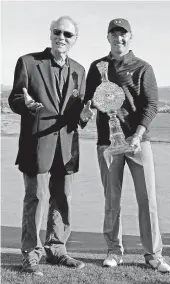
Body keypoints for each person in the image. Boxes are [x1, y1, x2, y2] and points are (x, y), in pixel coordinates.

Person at [84, 18, 170, 272]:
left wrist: (138, 133)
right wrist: (86, 109)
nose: (118, 38)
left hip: (137, 142)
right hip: (107, 142)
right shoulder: (97, 67)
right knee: (112, 200)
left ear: (130, 36)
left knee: (148, 200)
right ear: (108, 37)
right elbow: (89, 101)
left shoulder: (143, 67)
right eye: (114, 34)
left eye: (123, 34)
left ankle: (154, 254)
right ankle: (114, 250)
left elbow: (152, 105)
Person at [8, 16, 93, 276]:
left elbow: (77, 112)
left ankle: (57, 250)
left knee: (62, 199)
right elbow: (14, 99)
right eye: (58, 32)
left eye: (68, 34)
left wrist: (85, 116)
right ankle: (30, 256)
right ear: (50, 33)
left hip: (66, 146)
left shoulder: (79, 70)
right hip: (36, 144)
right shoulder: (28, 62)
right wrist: (26, 105)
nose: (62, 38)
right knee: (35, 198)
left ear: (74, 40)